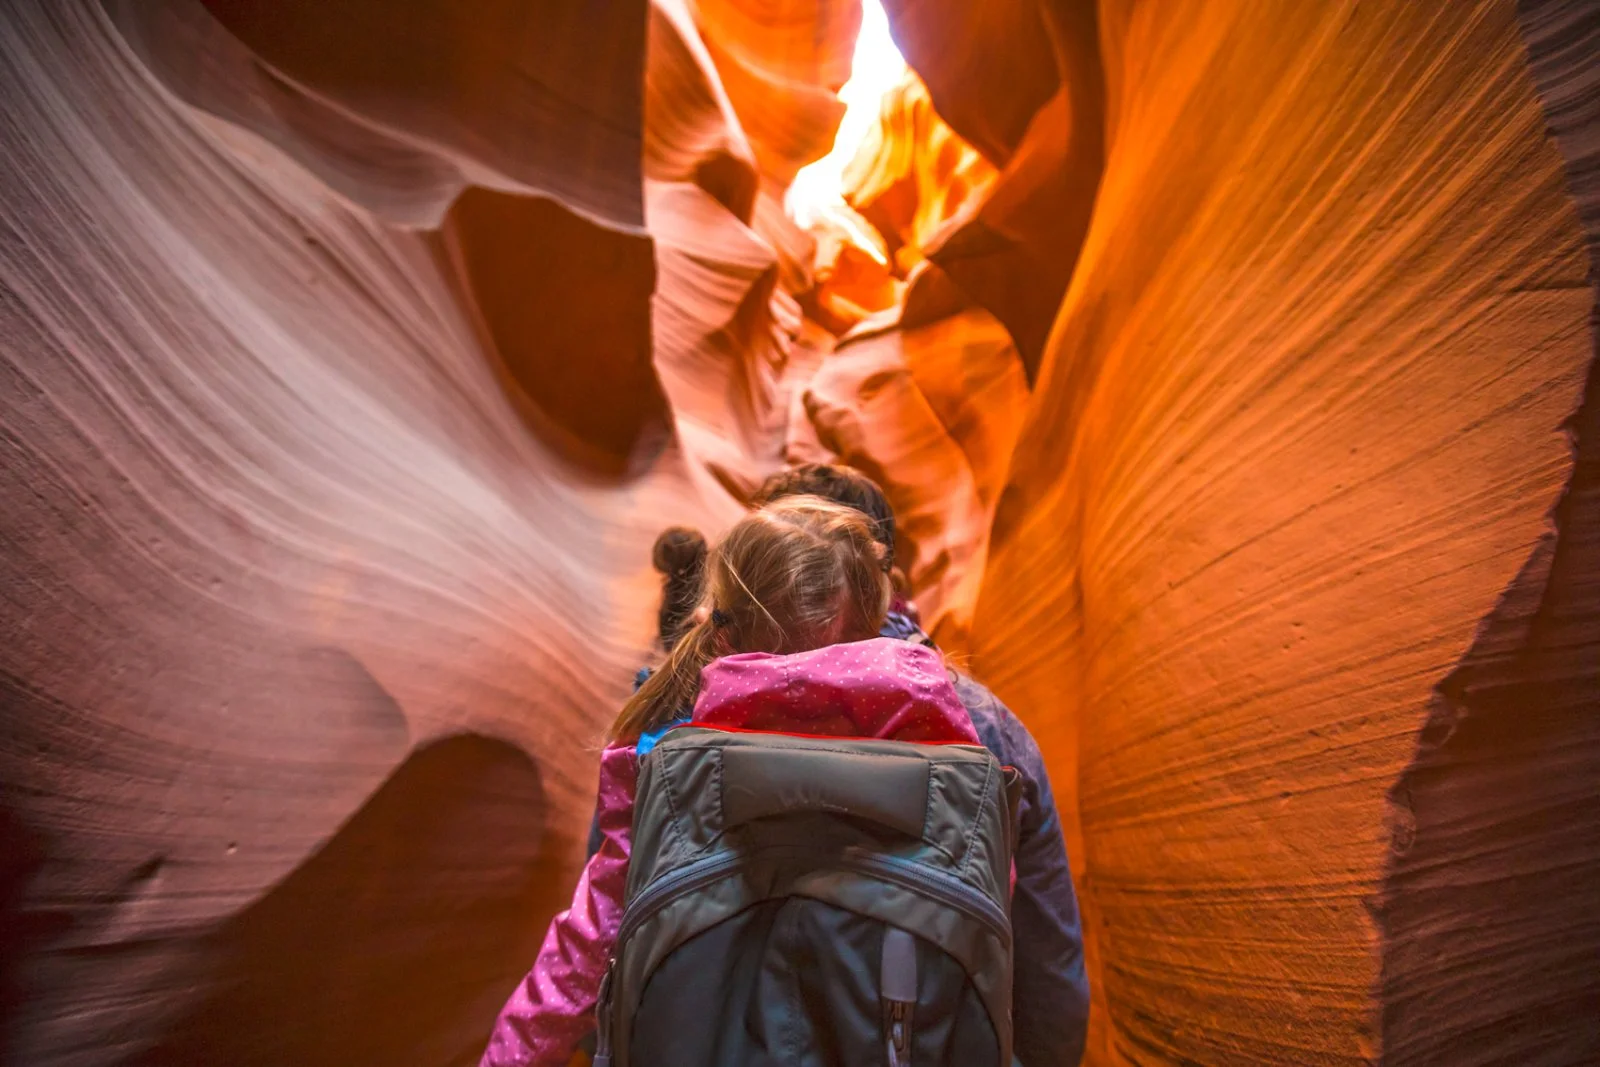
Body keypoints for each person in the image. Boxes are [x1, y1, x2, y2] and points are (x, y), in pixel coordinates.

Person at [608, 463, 1090, 1065]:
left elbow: (612, 921)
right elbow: (1046, 959)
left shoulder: (678, 707)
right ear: (880, 582)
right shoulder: (979, 722)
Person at [480, 497, 984, 1066]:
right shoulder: (937, 733)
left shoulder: (665, 752)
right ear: (874, 618)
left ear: (721, 626)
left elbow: (590, 941)